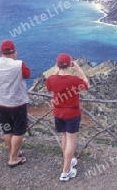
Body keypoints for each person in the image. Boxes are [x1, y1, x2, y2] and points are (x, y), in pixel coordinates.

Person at [0, 39, 30, 167]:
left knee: (7, 129)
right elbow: (27, 74)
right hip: (16, 103)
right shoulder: (18, 65)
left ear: (0, 51)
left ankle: (12, 152)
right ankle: (13, 158)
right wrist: (15, 59)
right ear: (14, 51)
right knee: (19, 130)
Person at [46, 53, 89, 181]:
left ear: (58, 65)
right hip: (72, 113)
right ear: (70, 64)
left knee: (64, 137)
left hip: (58, 113)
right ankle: (66, 172)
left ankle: (69, 161)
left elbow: (49, 85)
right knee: (71, 141)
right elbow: (87, 85)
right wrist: (79, 69)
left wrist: (56, 70)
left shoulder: (52, 79)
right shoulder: (74, 80)